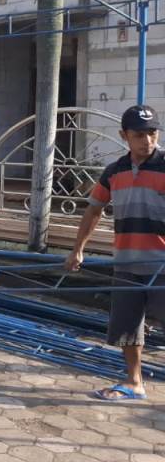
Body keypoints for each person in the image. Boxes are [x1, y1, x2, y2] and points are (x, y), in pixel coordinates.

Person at [66, 104, 164, 401]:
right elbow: (94, 209)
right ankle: (134, 382)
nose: (147, 140)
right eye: (139, 134)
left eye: (152, 133)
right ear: (124, 136)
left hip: (162, 264)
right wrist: (77, 249)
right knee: (128, 327)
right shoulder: (114, 171)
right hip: (126, 262)